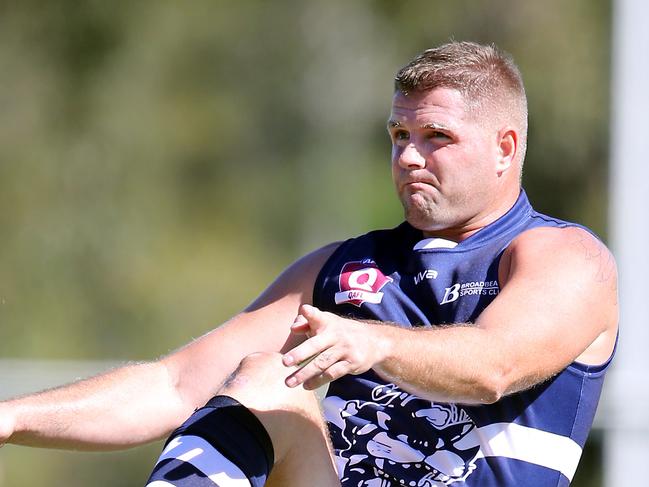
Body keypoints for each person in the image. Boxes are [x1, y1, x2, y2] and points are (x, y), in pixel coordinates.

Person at [0, 41, 617, 487]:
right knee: (266, 380)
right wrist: (10, 417)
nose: (407, 156)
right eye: (398, 136)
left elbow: (495, 366)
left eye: (436, 137)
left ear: (505, 148)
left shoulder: (562, 256)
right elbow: (174, 385)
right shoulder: (343, 269)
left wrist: (374, 343)